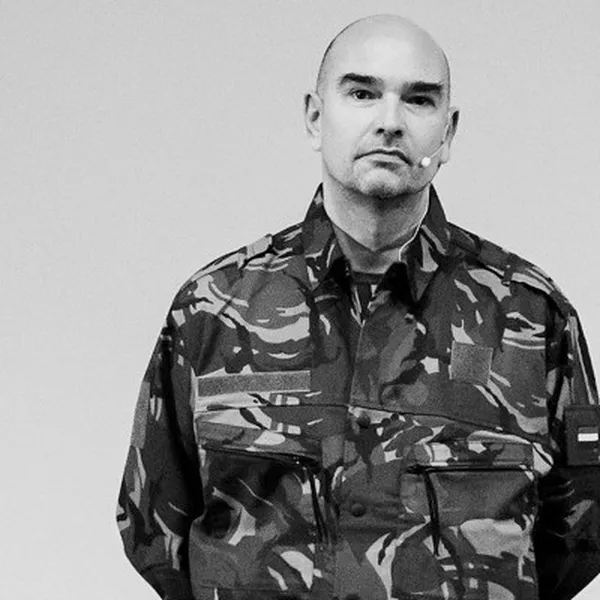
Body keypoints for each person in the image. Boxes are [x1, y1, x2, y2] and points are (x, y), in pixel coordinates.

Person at [117, 14, 600, 600]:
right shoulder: (213, 311)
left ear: (448, 133)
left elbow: (578, 538)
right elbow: (156, 529)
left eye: (418, 100)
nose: (390, 121)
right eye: (362, 93)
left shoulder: (530, 319)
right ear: (315, 117)